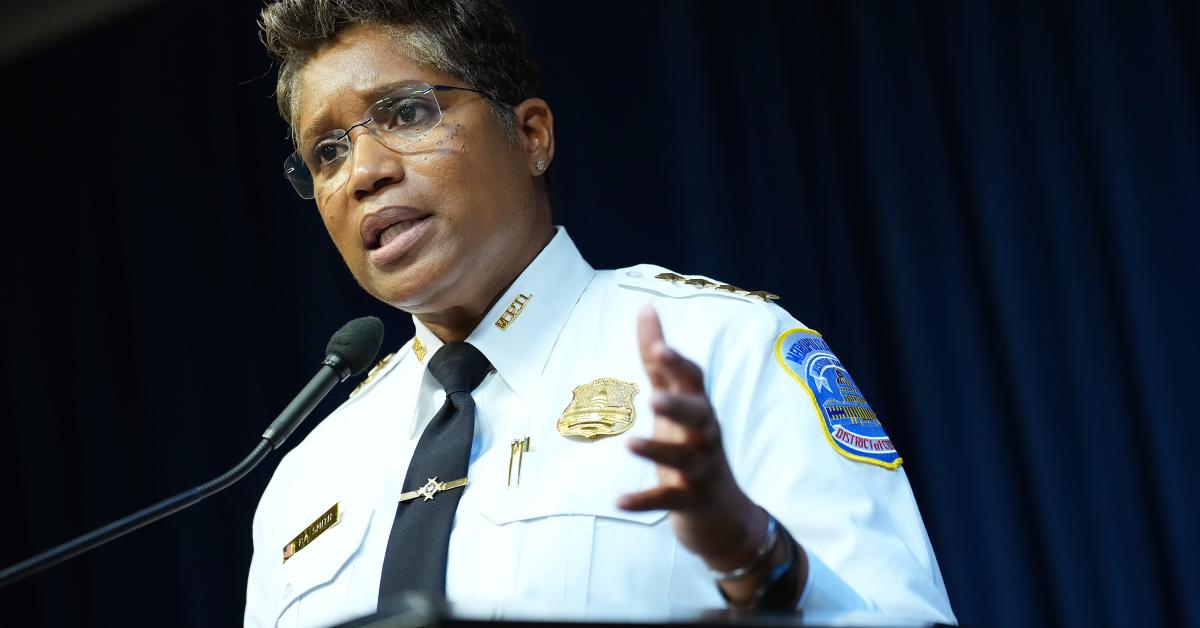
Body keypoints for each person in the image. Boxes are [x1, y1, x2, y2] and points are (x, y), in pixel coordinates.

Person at [245, 1, 955, 626]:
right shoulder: (304, 481)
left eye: (406, 113)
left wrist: (758, 562)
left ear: (531, 136)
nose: (365, 172)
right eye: (327, 152)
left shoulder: (720, 349)